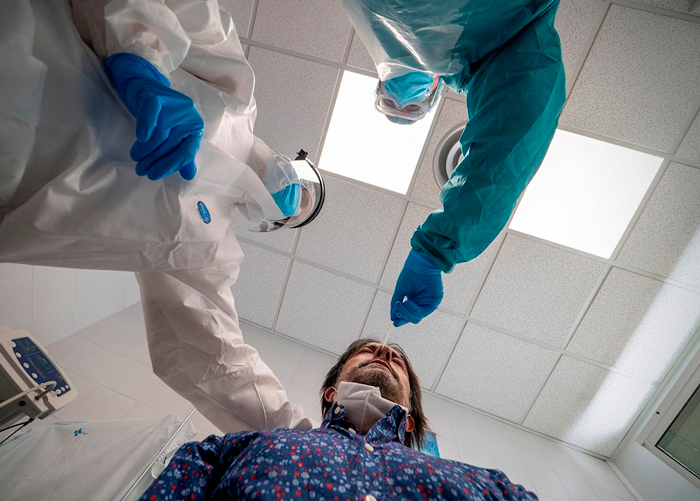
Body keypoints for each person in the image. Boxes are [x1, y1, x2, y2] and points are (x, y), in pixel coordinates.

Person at [0, 0, 324, 431]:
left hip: (13, 188)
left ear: (273, 225)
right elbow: (184, 8)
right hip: (24, 50)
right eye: (305, 189)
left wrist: (301, 439)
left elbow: (214, 359)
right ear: (297, 162)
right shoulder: (237, 95)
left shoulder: (210, 250)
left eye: (294, 213)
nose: (294, 201)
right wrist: (140, 57)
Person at [342, 0, 567, 327]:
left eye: (389, 102)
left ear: (379, 81)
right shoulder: (499, 49)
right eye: (412, 108)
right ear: (434, 90)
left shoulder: (378, 24)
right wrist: (433, 252)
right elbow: (507, 142)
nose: (402, 102)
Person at [138, 339, 538, 500]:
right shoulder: (238, 447)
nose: (384, 352)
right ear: (332, 393)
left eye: (396, 361)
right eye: (367, 351)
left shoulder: (490, 487)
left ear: (411, 422)